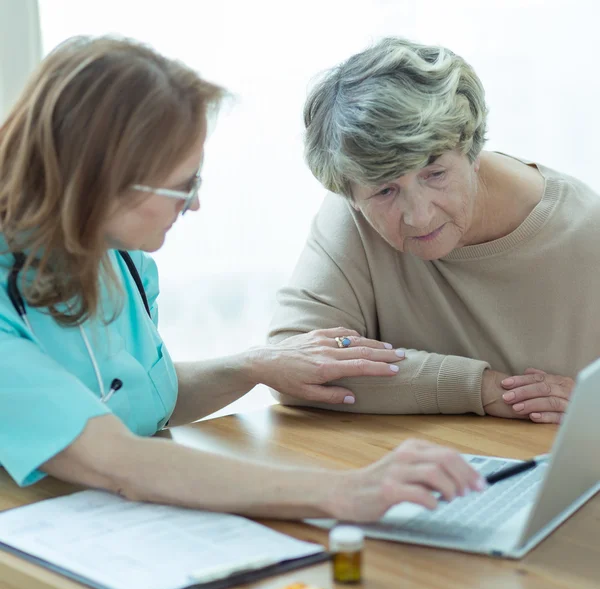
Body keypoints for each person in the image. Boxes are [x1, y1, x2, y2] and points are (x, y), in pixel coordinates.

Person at [0, 36, 485, 522]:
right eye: (182, 185)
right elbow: (116, 459)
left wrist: (254, 365)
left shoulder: (117, 258)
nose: (193, 204)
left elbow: (135, 399)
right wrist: (348, 490)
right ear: (102, 180)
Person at [268, 37, 600, 425]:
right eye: (386, 191)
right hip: (419, 472)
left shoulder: (583, 230)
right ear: (351, 194)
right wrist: (482, 388)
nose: (419, 217)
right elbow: (292, 367)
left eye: (436, 173)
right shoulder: (354, 211)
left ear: (471, 149)